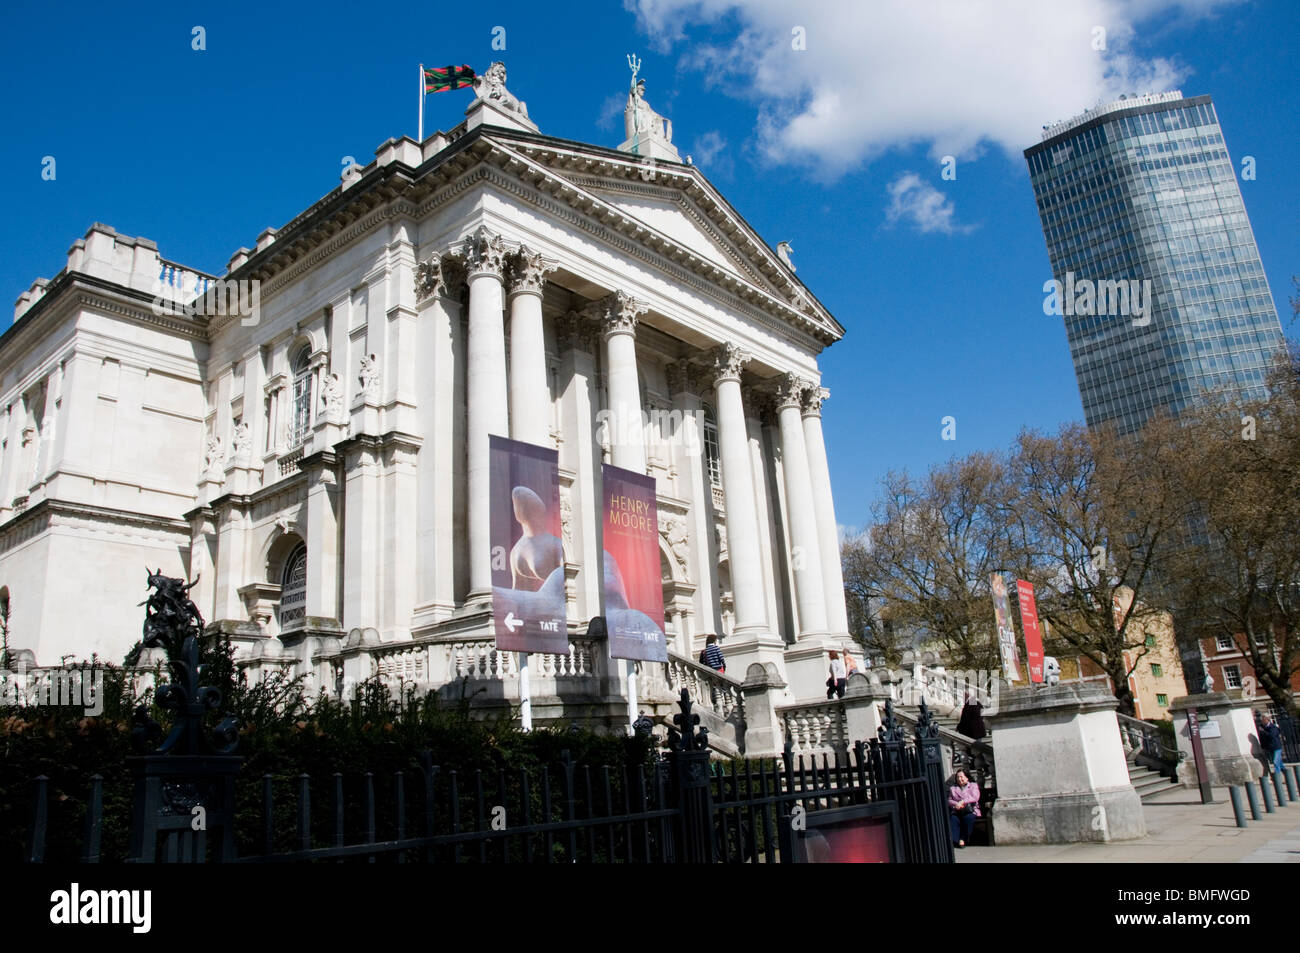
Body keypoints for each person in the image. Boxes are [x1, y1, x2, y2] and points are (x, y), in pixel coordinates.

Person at [948, 769, 981, 848]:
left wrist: (962, 802)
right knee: (954, 819)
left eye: (961, 777)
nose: (959, 779)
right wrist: (956, 804)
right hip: (958, 810)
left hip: (970, 810)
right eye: (958, 777)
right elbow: (949, 800)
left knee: (968, 818)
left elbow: (975, 797)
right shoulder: (953, 788)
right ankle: (955, 840)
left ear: (967, 778)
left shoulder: (973, 786)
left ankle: (963, 839)